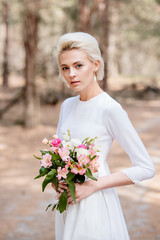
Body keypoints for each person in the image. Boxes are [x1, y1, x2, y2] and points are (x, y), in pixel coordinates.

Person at [52, 32, 155, 240]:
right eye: (65, 68)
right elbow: (59, 155)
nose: (71, 73)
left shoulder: (110, 109)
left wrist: (94, 185)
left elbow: (146, 168)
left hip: (95, 204)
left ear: (95, 65)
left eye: (78, 65)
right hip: (68, 205)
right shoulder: (67, 106)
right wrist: (57, 180)